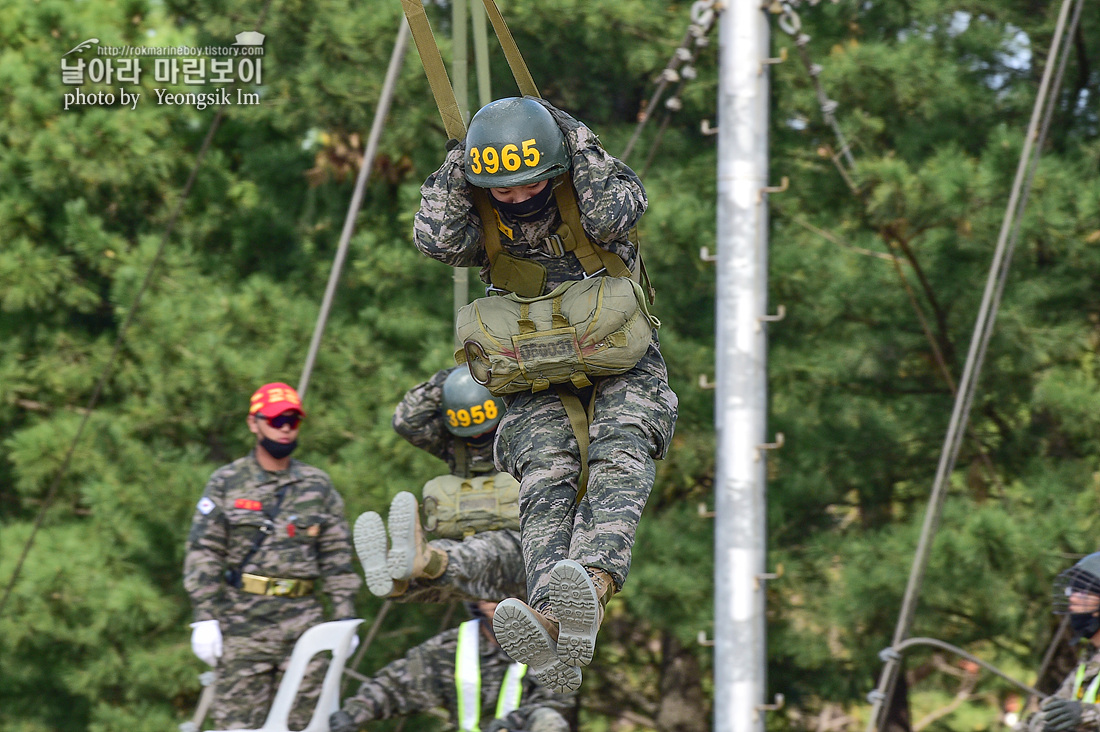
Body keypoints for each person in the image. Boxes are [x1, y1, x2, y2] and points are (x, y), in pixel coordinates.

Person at [413, 95, 678, 692]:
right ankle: (551, 617)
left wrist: (571, 135)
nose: (512, 198)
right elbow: (434, 240)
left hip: (620, 358)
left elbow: (618, 216)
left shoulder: (587, 188)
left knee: (621, 450)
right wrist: (464, 162)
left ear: (552, 166)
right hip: (532, 368)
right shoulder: (479, 206)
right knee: (543, 475)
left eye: (524, 183)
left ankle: (592, 581)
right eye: (499, 188)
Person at [183, 382, 361, 729]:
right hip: (242, 625)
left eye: (292, 420)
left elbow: (337, 556)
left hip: (304, 625)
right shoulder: (227, 482)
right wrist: (204, 616)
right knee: (238, 725)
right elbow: (204, 552)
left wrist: (343, 616)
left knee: (305, 724)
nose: (284, 428)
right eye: (276, 419)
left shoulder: (317, 485)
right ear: (254, 423)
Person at [355, 366, 526, 604]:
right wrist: (452, 378)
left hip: (529, 553)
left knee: (477, 553)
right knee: (439, 567)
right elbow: (407, 421)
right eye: (469, 433)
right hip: (476, 557)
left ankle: (427, 560)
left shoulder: (526, 433)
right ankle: (398, 582)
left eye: (485, 430)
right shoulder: (454, 444)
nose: (477, 438)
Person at [329, 601, 574, 732]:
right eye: (485, 589)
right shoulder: (452, 646)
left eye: (503, 589)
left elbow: (555, 707)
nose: (492, 596)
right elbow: (399, 683)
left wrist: (509, 727)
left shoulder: (549, 646)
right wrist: (354, 713)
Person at [1022, 552, 1100, 732]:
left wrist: (1087, 714)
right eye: (1073, 589)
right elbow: (1051, 711)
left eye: (1082, 590)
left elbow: (1079, 715)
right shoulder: (1090, 658)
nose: (1072, 597)